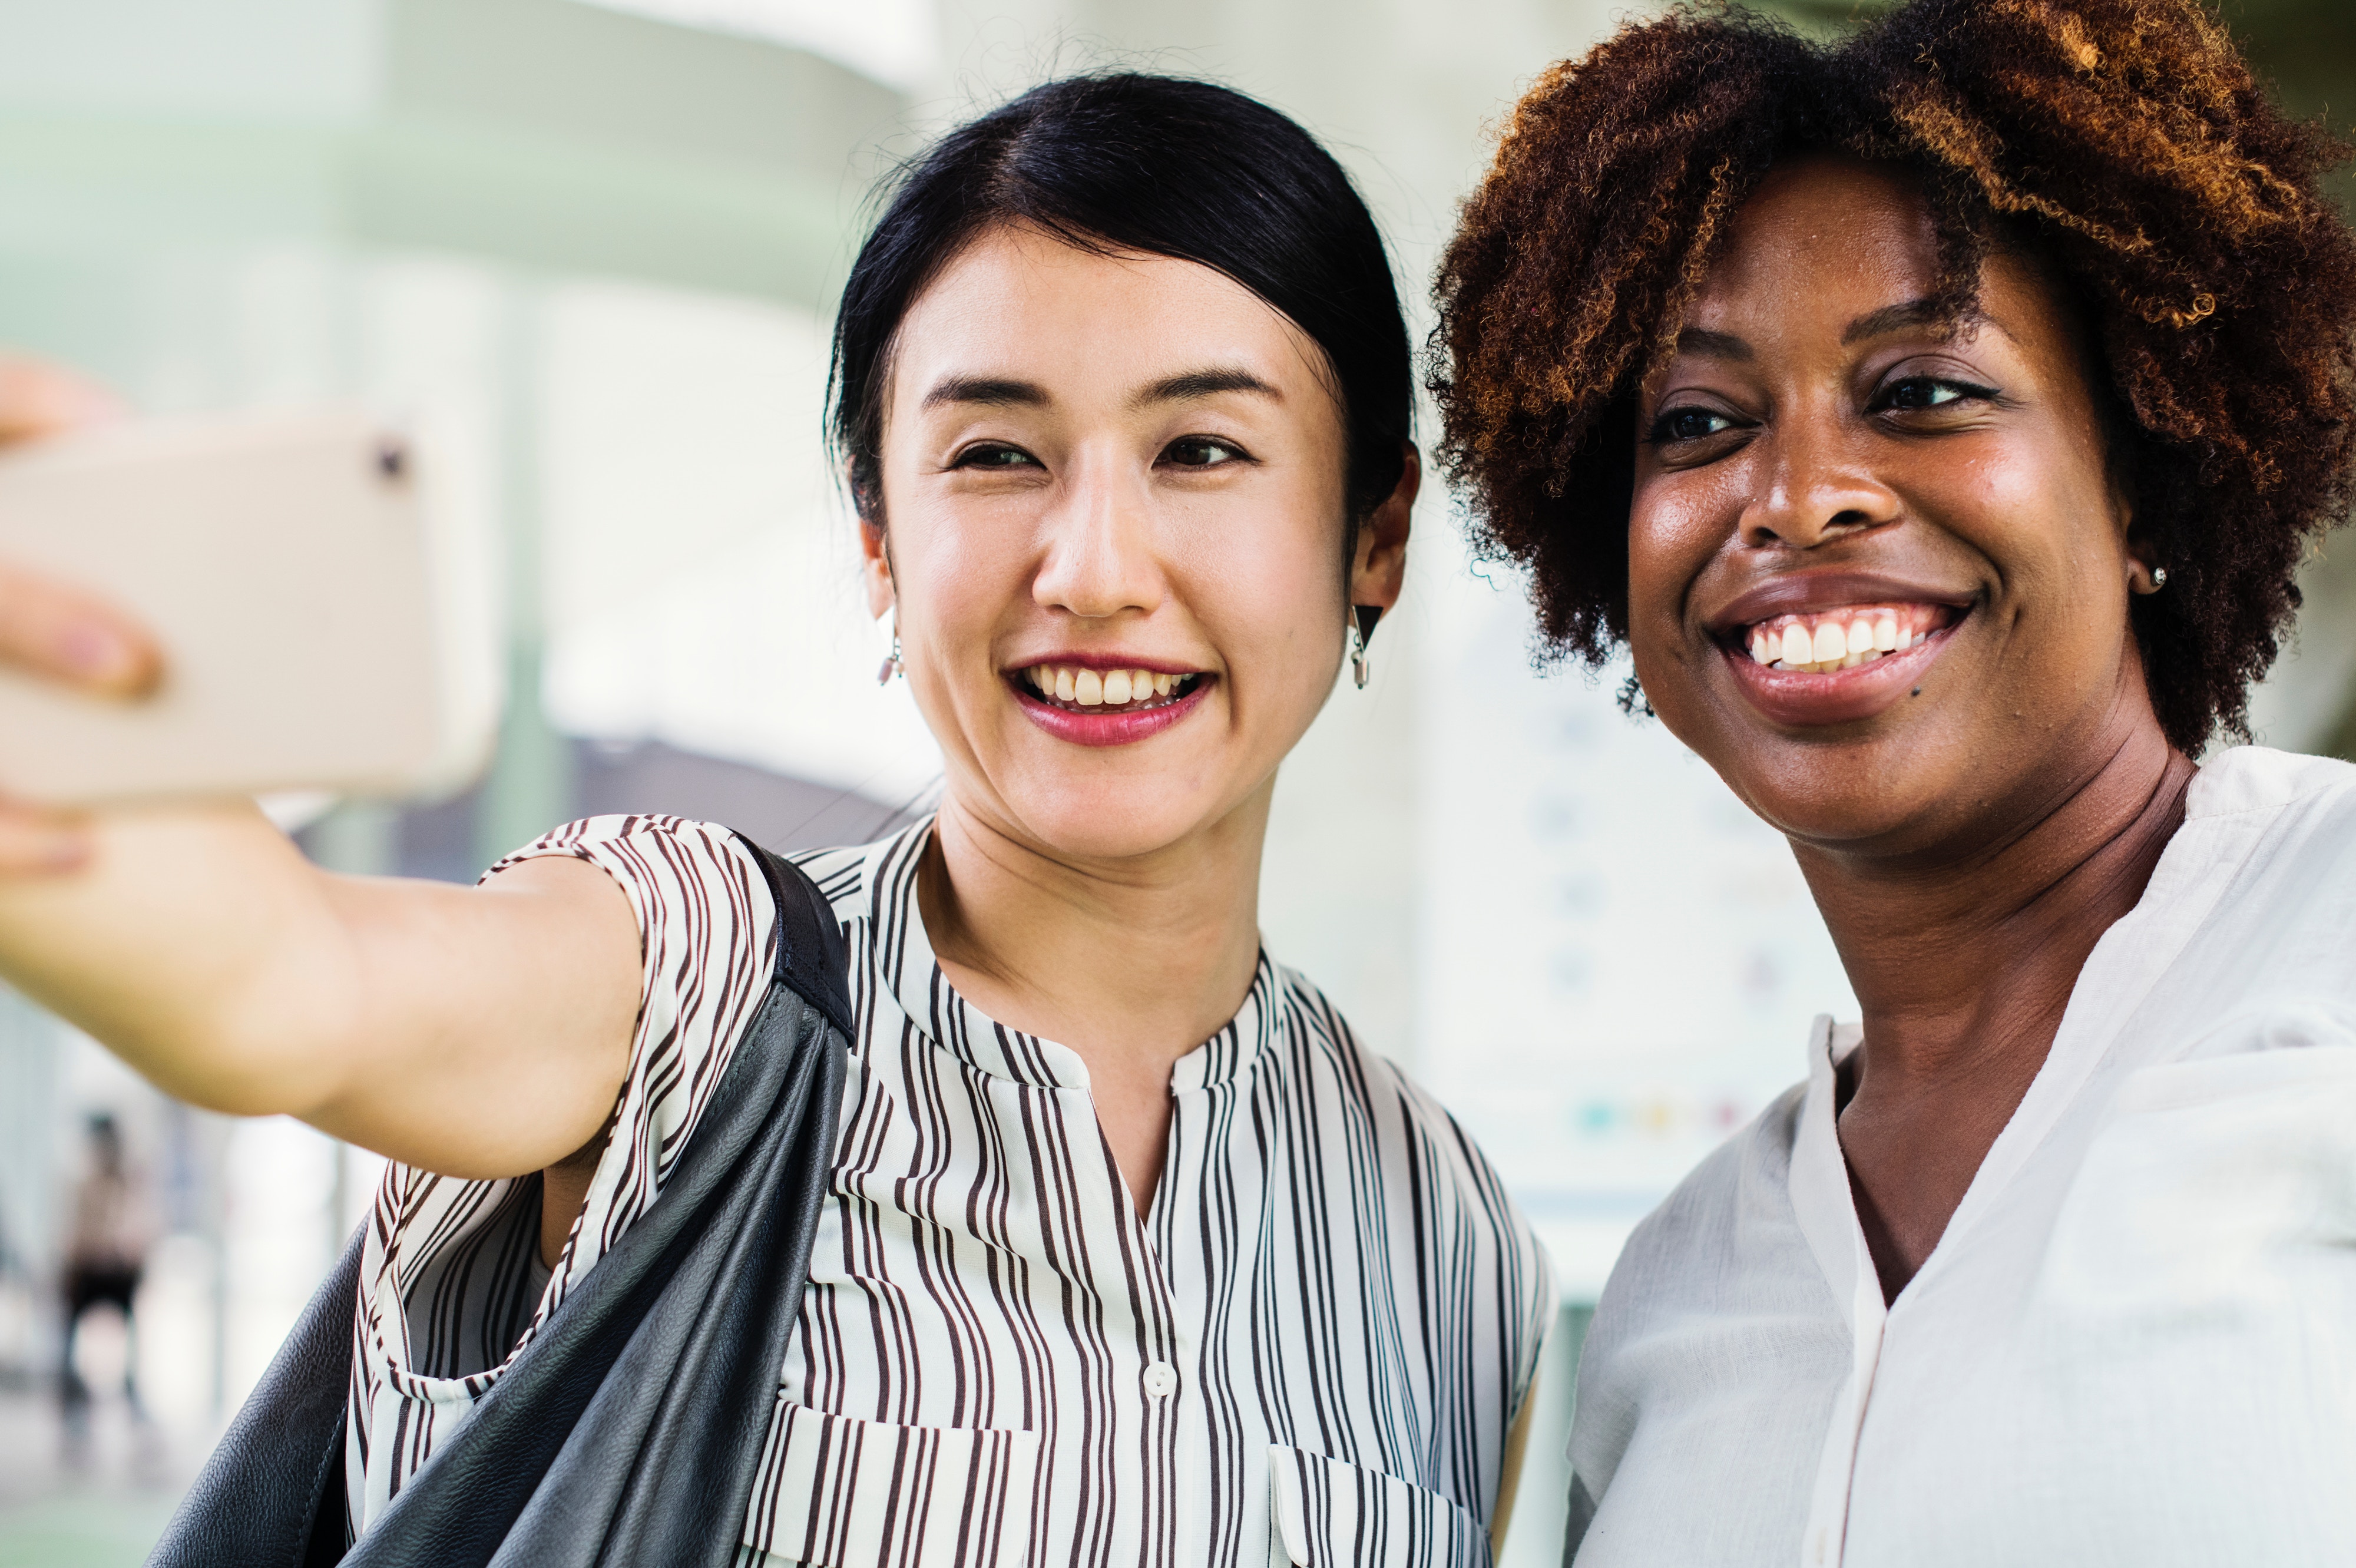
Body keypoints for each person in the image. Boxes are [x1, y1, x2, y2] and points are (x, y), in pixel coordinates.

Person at [0, 74, 1551, 1564]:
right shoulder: (698, 984)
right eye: (994, 453)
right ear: (881, 544)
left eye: (1201, 449)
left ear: (1377, 532)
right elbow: (292, 986)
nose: (1091, 565)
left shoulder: (1450, 1233)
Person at [1432, 1, 2356, 1563]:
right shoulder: (1673, 1290)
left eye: (1922, 391)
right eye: (1702, 423)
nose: (1795, 498)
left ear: (2142, 477)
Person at [58, 1112, 157, 1447]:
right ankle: (73, 1403)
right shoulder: (83, 1185)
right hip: (88, 1273)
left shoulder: (129, 1185)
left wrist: (122, 1253)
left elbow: (136, 1236)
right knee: (68, 1333)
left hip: (116, 1276)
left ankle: (132, 1396)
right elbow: (74, 1237)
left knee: (131, 1332)